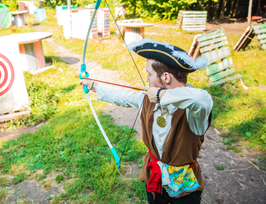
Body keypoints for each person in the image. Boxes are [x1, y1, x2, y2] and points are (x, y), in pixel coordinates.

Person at [79, 39, 213, 204]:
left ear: (165, 77)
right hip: (154, 180)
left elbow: (202, 99)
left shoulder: (194, 111)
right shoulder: (147, 99)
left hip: (185, 189)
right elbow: (122, 96)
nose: (147, 80)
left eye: (149, 74)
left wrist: (160, 95)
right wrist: (93, 85)